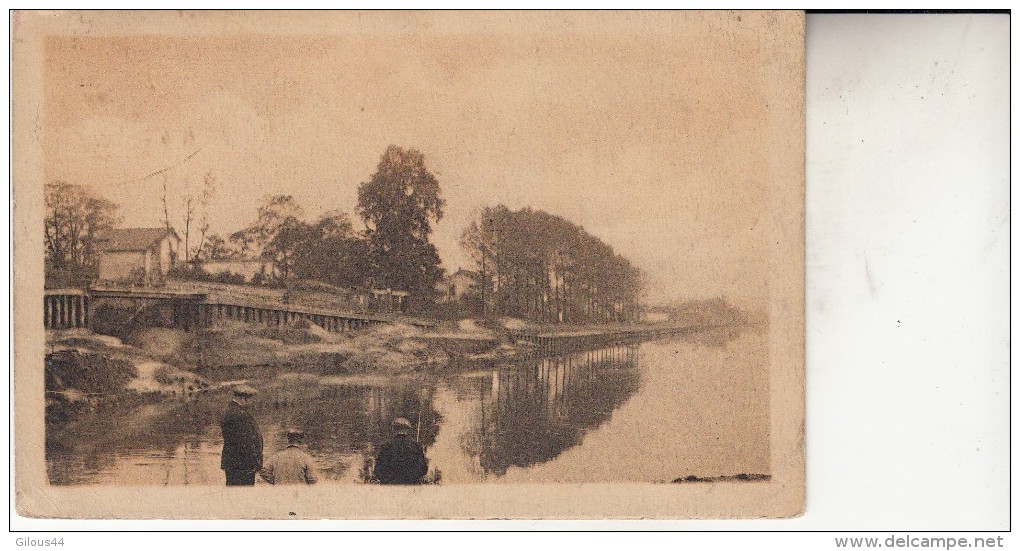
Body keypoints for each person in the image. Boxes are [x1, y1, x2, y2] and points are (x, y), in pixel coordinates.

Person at [220, 384, 264, 486]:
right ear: (243, 398)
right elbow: (245, 442)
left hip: (235, 463)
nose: (250, 402)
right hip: (243, 465)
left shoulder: (232, 410)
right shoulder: (239, 415)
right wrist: (254, 462)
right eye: (249, 399)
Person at [373, 417, 429, 485]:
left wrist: (388, 479)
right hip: (410, 486)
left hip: (390, 486)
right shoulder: (416, 446)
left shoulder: (386, 446)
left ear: (393, 429)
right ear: (407, 430)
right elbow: (423, 469)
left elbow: (378, 470)